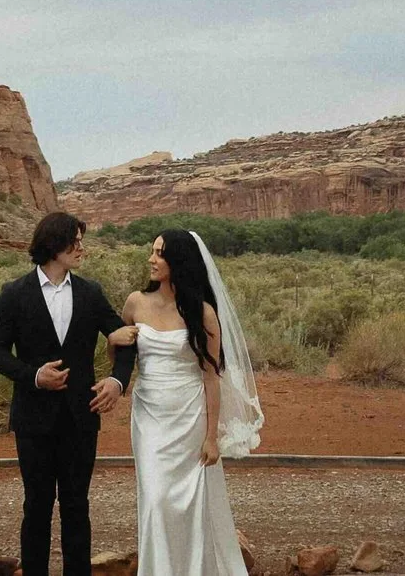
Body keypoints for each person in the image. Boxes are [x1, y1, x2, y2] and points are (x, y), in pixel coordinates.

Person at [107, 230, 265, 576]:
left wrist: (211, 437)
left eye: (160, 253)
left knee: (190, 503)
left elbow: (211, 376)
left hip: (190, 414)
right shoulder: (135, 302)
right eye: (152, 251)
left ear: (178, 261)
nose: (151, 259)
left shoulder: (203, 313)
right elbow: (120, 357)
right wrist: (111, 341)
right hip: (149, 414)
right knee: (156, 500)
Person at [0, 211, 135, 576]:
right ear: (54, 245)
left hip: (81, 417)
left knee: (76, 505)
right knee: (36, 505)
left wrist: (117, 381)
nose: (82, 248)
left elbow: (125, 338)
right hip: (32, 420)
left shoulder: (90, 292)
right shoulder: (14, 293)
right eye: (76, 240)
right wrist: (35, 376)